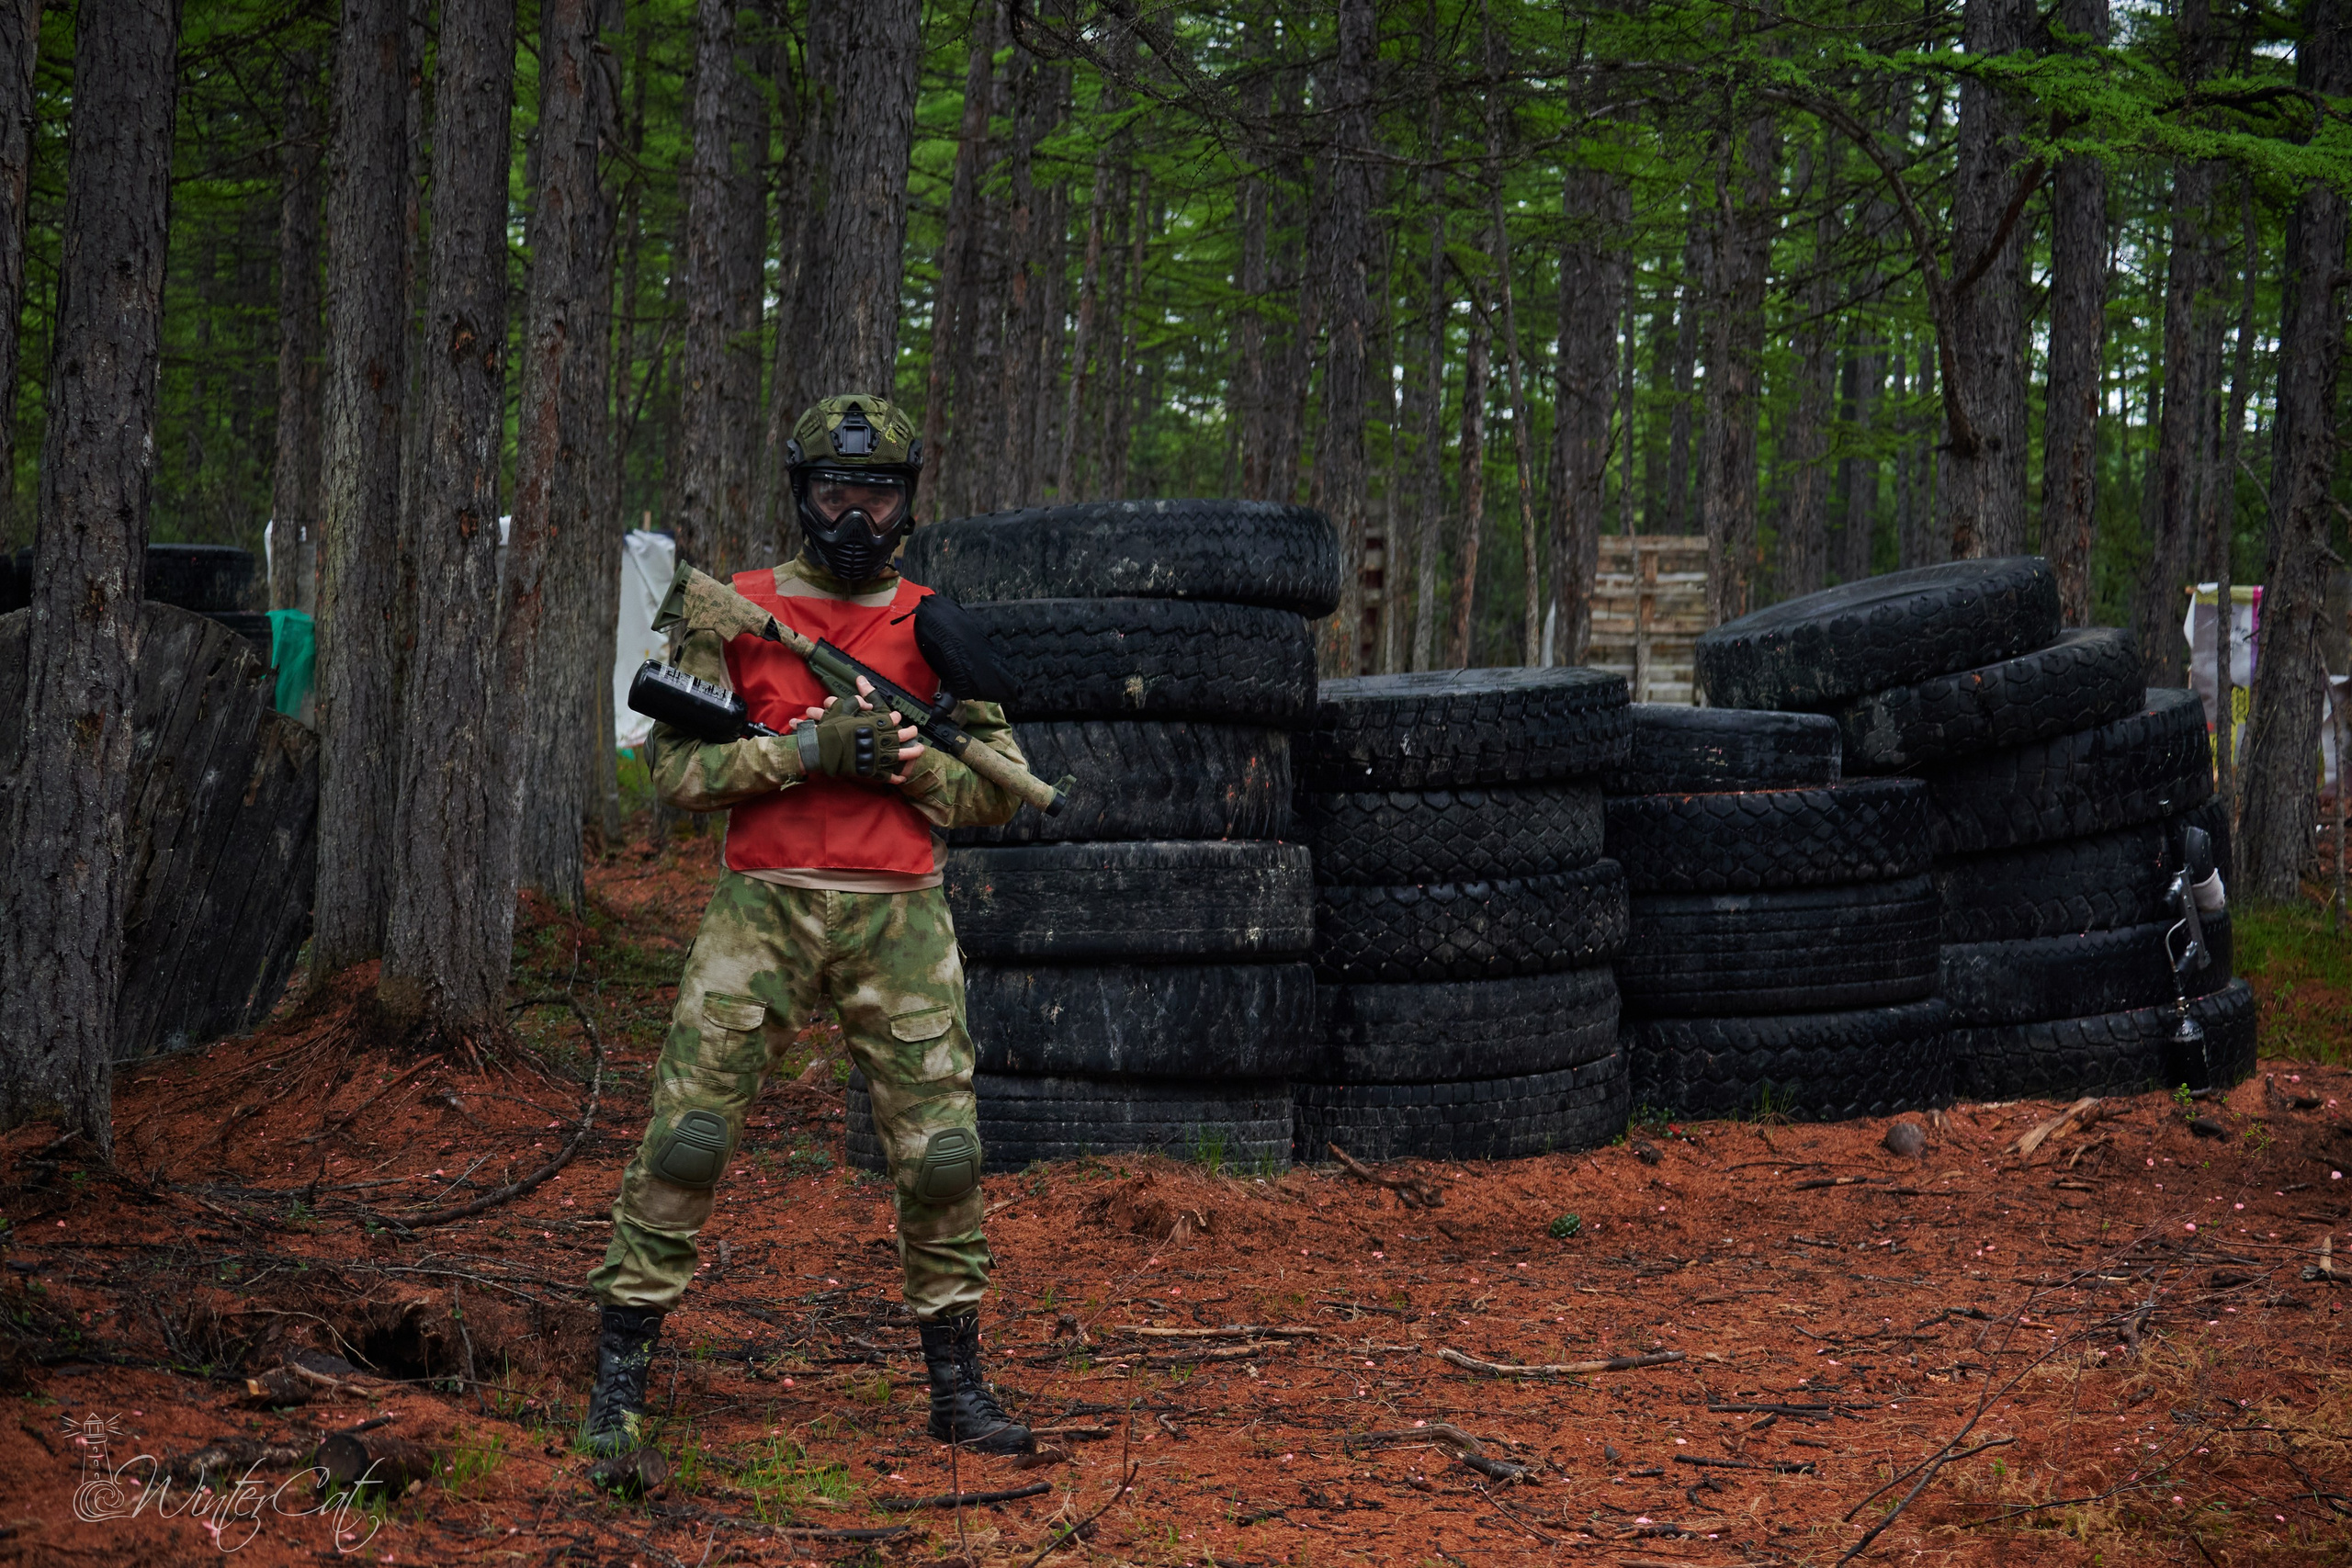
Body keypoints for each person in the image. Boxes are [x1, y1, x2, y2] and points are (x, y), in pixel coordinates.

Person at [582, 394, 1034, 1458]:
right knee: (687, 1143)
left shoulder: (935, 623)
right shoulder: (728, 609)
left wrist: (914, 768)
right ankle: (619, 1386)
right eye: (835, 492)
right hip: (763, 912)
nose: (855, 518)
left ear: (907, 502)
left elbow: (998, 793)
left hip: (902, 921)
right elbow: (677, 773)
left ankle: (956, 1389)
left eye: (876, 495)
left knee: (941, 1161)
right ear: (801, 495)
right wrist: (802, 754)